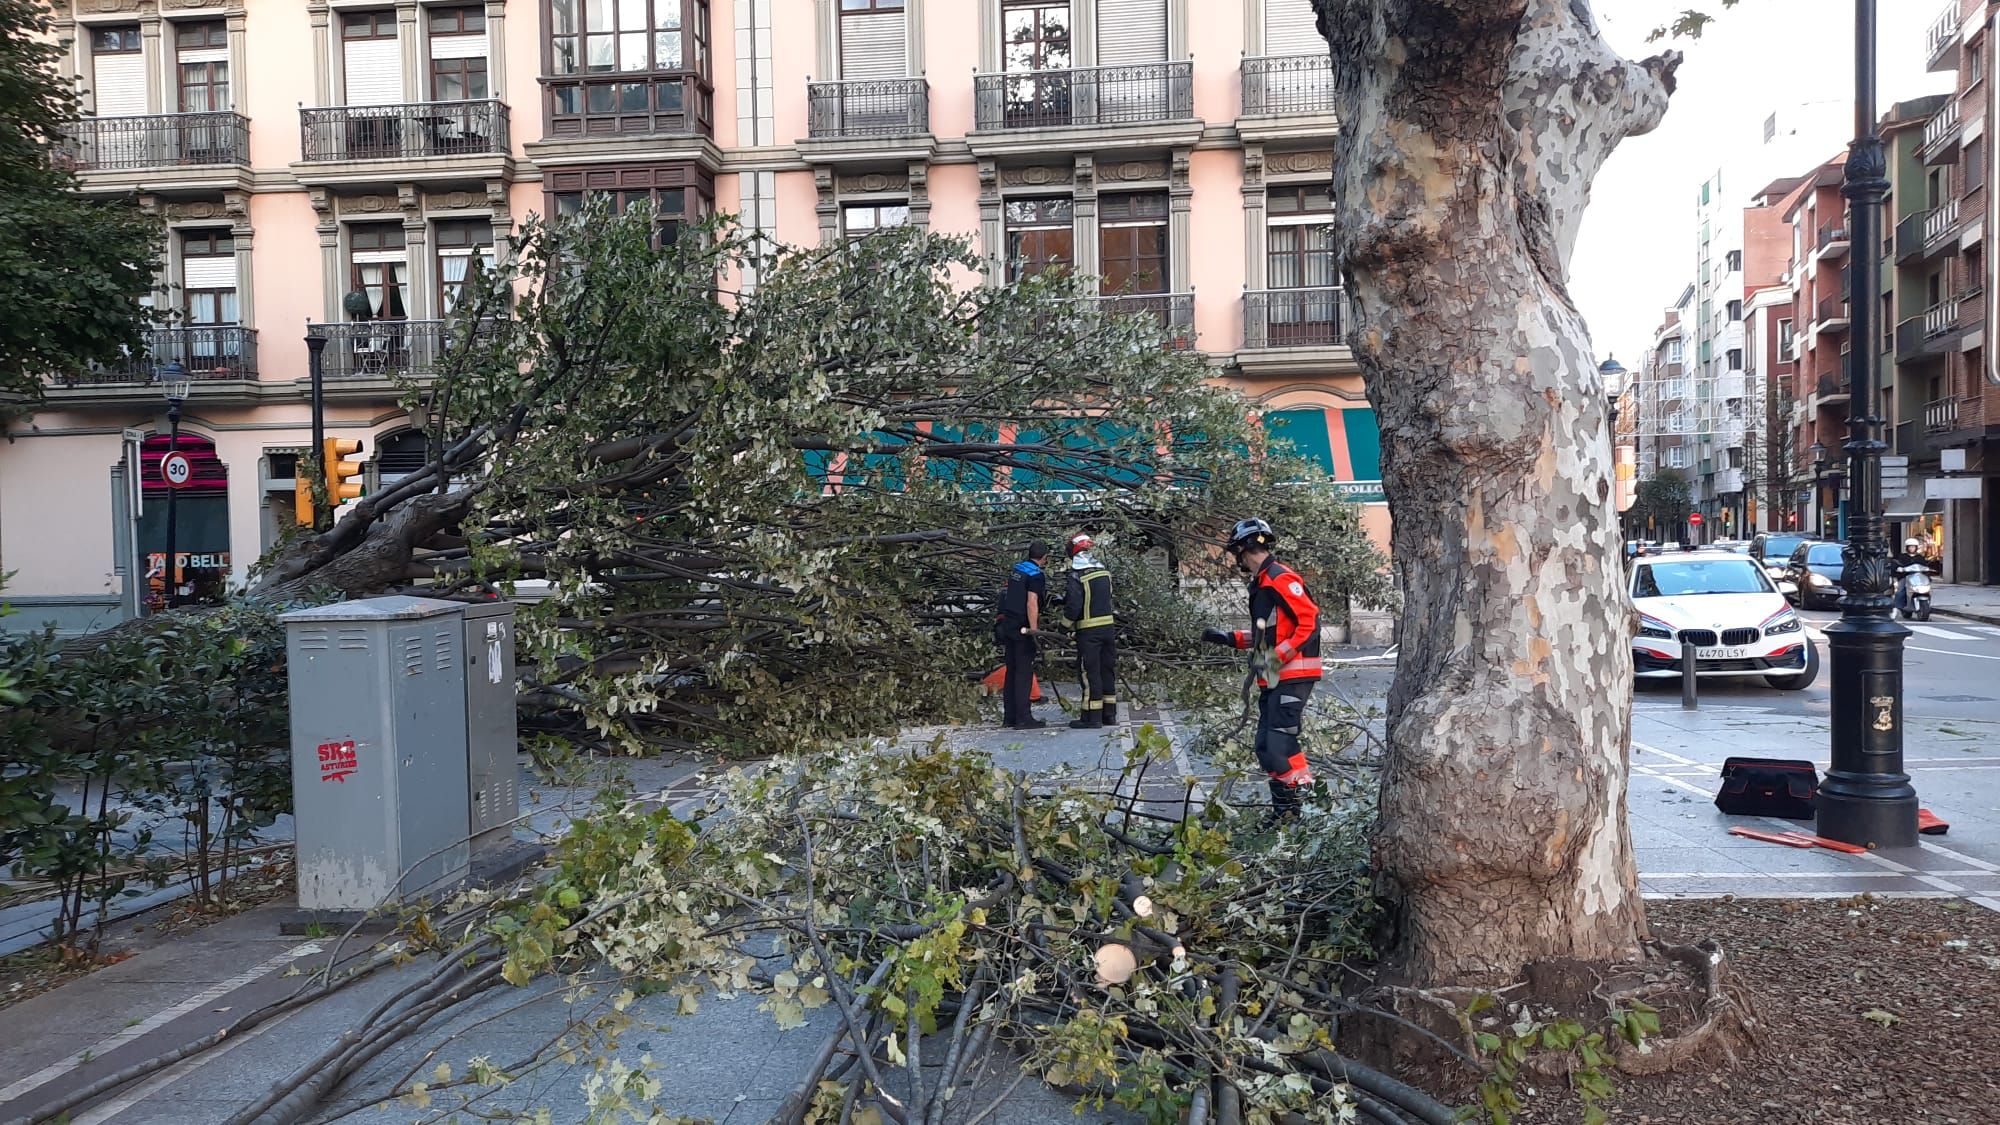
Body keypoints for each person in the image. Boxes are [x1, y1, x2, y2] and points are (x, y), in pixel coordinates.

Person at [1201, 518, 1322, 821]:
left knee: (1280, 744)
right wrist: (1230, 638)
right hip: (1273, 677)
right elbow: (1268, 634)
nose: (1236, 559)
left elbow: (1309, 622)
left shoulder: (1280, 577)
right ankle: (1291, 810)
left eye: (1237, 552)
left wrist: (1278, 657)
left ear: (1245, 547)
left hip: (1291, 675)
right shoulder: (1263, 582)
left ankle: (1297, 811)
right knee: (1267, 747)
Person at [1062, 532, 1117, 729]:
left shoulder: (1077, 575)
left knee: (1089, 673)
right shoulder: (1104, 573)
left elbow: (1074, 606)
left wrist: (1064, 625)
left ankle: (1092, 717)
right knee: (1107, 670)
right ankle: (1109, 715)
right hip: (1108, 629)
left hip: (1089, 631)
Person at [996, 541, 1050, 730]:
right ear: (1044, 558)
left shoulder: (1016, 570)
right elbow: (1032, 602)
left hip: (1008, 624)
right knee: (1023, 673)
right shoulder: (1036, 575)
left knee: (1012, 670)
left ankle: (1009, 717)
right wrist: (1034, 629)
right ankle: (1023, 718)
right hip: (1022, 627)